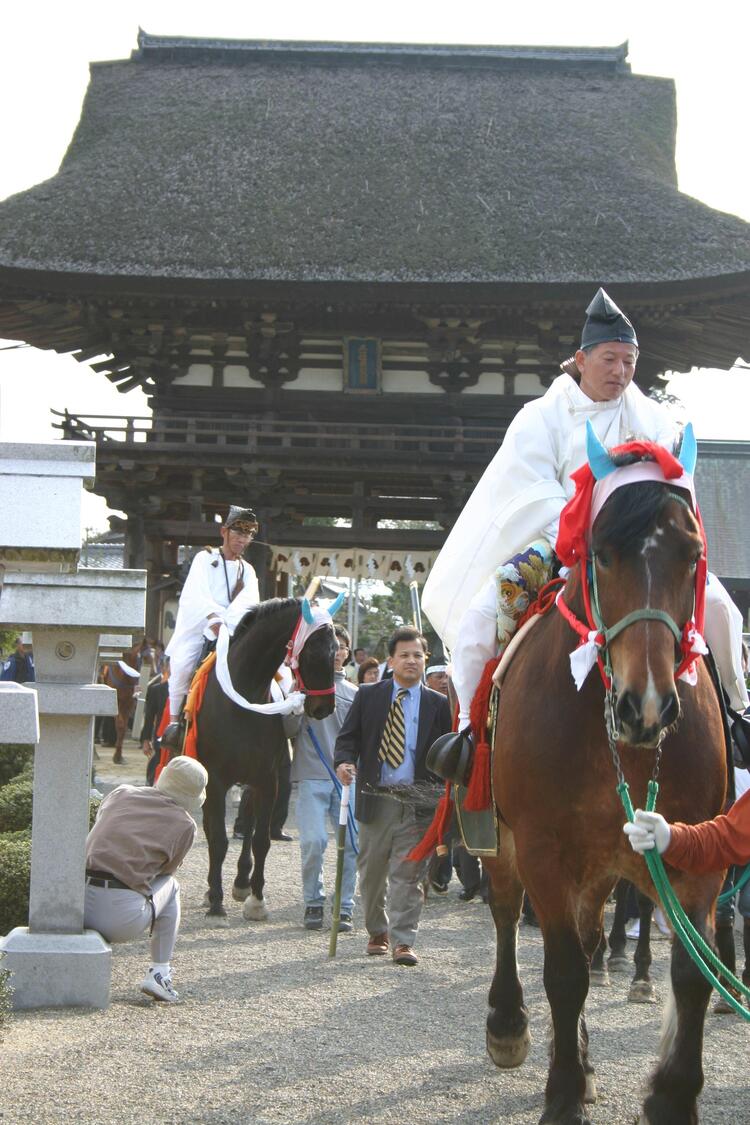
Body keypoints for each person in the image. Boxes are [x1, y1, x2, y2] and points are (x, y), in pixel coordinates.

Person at [422, 288, 749, 740]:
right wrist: (583, 536)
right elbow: (532, 491)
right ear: (581, 359)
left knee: (719, 606)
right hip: (560, 542)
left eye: (629, 361)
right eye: (609, 359)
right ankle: (468, 730)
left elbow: (673, 486)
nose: (620, 371)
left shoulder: (654, 418)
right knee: (481, 613)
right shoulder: (540, 417)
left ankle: (737, 710)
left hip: (642, 548)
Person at [334, 626, 452, 965]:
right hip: (377, 797)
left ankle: (403, 940)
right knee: (371, 872)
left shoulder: (438, 704)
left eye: (417, 655)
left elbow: (448, 749)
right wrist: (344, 762)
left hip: (418, 802)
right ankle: (377, 931)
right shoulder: (369, 695)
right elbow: (348, 738)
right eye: (404, 655)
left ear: (425, 659)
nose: (411, 661)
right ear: (391, 660)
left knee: (409, 873)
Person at [83, 756, 208, 1003]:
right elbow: (166, 872)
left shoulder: (121, 793)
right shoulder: (185, 825)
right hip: (119, 918)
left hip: (74, 901)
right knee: (172, 887)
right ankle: (160, 973)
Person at [162, 506, 260, 747]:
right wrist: (214, 618)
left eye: (248, 534)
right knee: (183, 665)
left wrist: (229, 620)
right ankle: (174, 725)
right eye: (238, 532)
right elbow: (195, 593)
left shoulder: (247, 570)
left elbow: (250, 601)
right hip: (203, 626)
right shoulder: (204, 559)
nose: (242, 539)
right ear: (224, 531)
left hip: (233, 628)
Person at [287, 624, 358, 931]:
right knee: (313, 841)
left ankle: (344, 905)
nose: (336, 652)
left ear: (347, 653)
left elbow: (361, 739)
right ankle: (313, 901)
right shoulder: (302, 690)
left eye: (341, 646)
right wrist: (293, 706)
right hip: (311, 774)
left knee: (351, 844)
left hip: (347, 779)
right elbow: (287, 732)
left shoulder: (356, 694)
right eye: (331, 647)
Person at [140, 656, 170, 785]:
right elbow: (149, 717)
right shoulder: (156, 690)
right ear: (165, 668)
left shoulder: (188, 689)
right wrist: (145, 740)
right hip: (160, 736)